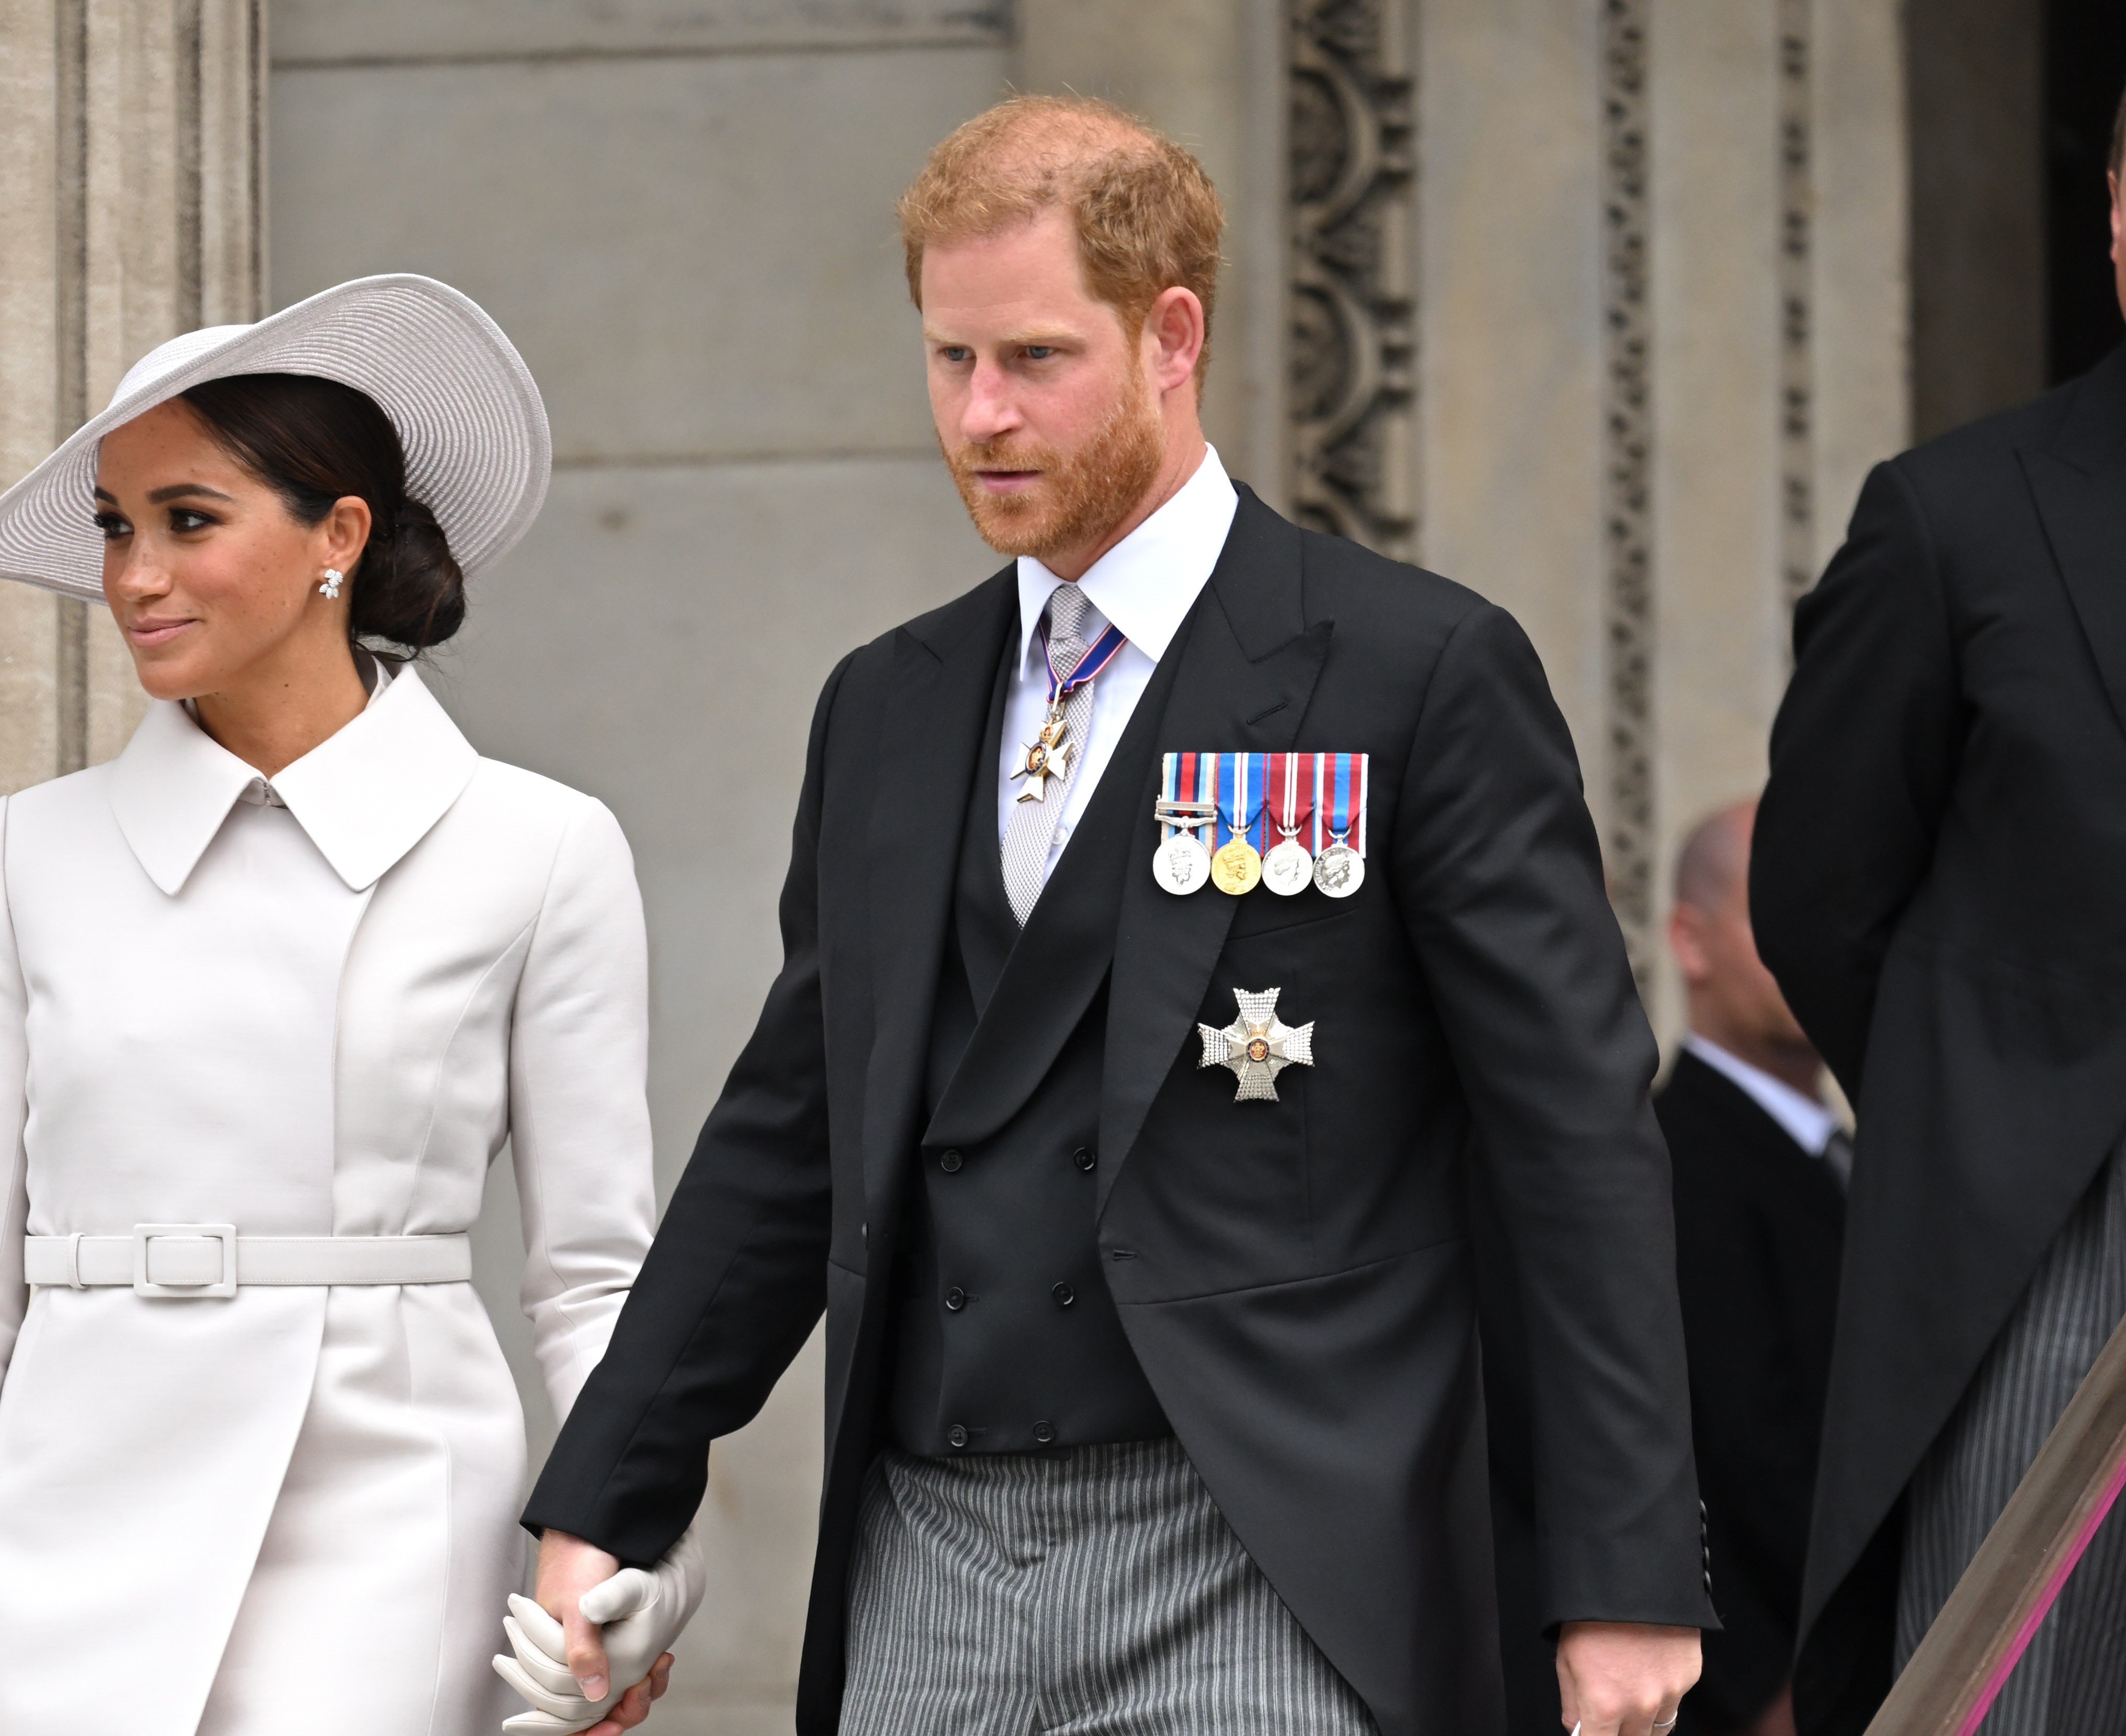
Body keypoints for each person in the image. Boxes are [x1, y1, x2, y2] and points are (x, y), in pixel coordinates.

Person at [505, 96, 1708, 1736]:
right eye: (947, 360)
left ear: (1169, 336)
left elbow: (1570, 1136)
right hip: (923, 1549)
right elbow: (793, 1132)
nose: (979, 415)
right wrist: (611, 1495)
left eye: (1032, 358)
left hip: (1269, 1552)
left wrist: (1622, 1567)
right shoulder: (886, 703)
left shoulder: (1409, 670)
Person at [0, 276, 670, 1736]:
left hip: (387, 1527)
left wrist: (622, 1544)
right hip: (65, 1534)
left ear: (336, 536)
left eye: (187, 517)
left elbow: (594, 1277)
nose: (134, 574)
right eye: (115, 525)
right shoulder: (26, 854)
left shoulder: (537, 848)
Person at [1752, 90, 2126, 1736]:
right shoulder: (1952, 514)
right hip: (2048, 1254)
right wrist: (1979, 1113)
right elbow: (1819, 895)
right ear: (2113, 220)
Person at [1659, 802, 1847, 1736]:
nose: (1813, 937)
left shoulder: (1853, 1162)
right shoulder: (1668, 1160)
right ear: (1689, 942)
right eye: (1772, 909)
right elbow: (1732, 1447)